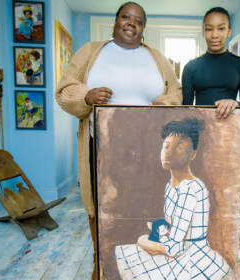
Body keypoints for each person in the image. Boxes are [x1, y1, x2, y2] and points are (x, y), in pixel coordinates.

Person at [55, 2, 181, 279]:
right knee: (101, 203)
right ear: (116, 21)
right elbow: (65, 89)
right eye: (125, 17)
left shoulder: (157, 58)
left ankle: (142, 259)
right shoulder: (91, 52)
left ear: (143, 28)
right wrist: (86, 96)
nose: (130, 24)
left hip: (148, 148)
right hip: (102, 147)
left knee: (146, 203)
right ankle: (101, 260)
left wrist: (165, 104)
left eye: (137, 21)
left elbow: (175, 93)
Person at [115, 118, 231, 280]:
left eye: (179, 147)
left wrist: (143, 241)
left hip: (192, 258)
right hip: (178, 248)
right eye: (166, 146)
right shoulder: (171, 186)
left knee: (137, 247)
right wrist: (160, 228)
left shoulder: (189, 189)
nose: (169, 152)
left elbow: (175, 247)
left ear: (193, 154)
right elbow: (175, 226)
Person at [182, 7, 240, 119]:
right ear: (203, 32)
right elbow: (185, 110)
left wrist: (236, 104)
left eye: (221, 28)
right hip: (200, 130)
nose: (214, 35)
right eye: (209, 29)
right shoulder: (190, 67)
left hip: (231, 130)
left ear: (229, 31)